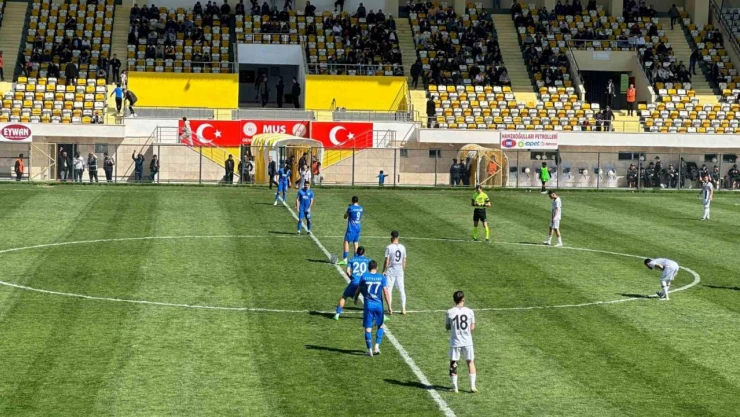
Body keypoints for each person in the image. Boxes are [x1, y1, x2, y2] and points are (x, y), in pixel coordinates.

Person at [354, 260, 391, 357]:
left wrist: (356, 297)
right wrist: (389, 306)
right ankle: (377, 347)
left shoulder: (364, 276)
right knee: (381, 325)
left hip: (368, 306)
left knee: (368, 329)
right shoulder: (381, 277)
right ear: (377, 267)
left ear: (368, 268)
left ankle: (369, 349)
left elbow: (359, 289)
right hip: (379, 306)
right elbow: (386, 292)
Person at [446, 290, 476, 393]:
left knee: (453, 363)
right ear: (463, 299)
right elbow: (472, 327)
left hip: (455, 342)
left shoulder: (450, 312)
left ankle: (455, 387)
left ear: (454, 300)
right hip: (467, 341)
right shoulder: (470, 311)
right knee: (470, 362)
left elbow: (447, 327)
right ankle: (472, 386)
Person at [334, 246, 370, 320]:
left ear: (356, 252)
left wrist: (351, 278)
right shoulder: (368, 260)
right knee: (369, 299)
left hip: (354, 282)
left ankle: (337, 314)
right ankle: (379, 315)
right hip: (364, 283)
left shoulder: (352, 260)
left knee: (344, 297)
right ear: (364, 252)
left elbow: (347, 271)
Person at [383, 230, 407, 315]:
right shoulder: (403, 247)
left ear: (392, 237)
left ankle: (390, 308)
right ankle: (403, 308)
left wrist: (384, 270)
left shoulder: (389, 247)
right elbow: (404, 260)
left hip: (391, 271)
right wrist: (402, 270)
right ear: (398, 237)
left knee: (389, 289)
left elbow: (387, 261)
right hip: (400, 271)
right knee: (401, 290)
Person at [339, 196, 363, 265]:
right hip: (358, 227)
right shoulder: (361, 208)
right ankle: (356, 259)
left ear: (352, 201)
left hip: (351, 228)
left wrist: (348, 208)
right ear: (358, 201)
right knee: (356, 242)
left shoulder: (350, 208)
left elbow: (345, 216)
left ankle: (345, 260)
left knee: (346, 241)